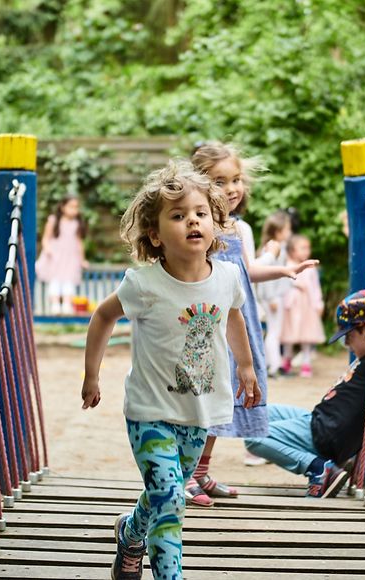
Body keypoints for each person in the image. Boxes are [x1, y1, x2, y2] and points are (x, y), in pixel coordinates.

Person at [81, 160, 261, 580]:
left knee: (166, 493)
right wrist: (92, 374)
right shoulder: (143, 284)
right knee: (170, 499)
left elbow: (233, 316)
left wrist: (247, 366)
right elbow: (103, 316)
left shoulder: (228, 276)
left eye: (200, 213)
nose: (192, 221)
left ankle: (129, 532)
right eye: (178, 216)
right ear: (156, 235)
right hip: (149, 411)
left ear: (216, 224)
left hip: (199, 410)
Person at [189, 141, 318, 506]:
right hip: (210, 322)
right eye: (220, 181)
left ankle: (201, 473)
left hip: (239, 324)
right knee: (203, 398)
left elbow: (247, 271)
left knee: (226, 396)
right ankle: (185, 475)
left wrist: (285, 269)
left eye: (236, 180)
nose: (232, 189)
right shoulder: (197, 226)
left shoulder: (238, 227)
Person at [244, 289, 365, 498]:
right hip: (319, 420)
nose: (346, 344)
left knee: (254, 436)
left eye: (350, 335)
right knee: (258, 413)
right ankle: (324, 467)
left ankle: (319, 469)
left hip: (327, 435)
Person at [255, 210, 294, 378]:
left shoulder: (277, 248)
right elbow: (269, 274)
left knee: (272, 331)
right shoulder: (274, 249)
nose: (289, 232)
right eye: (287, 229)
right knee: (273, 332)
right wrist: (271, 297)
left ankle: (270, 364)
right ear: (278, 231)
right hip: (272, 297)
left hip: (274, 296)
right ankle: (274, 367)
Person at [280, 235, 325, 378]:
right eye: (302, 248)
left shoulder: (310, 268)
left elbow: (315, 287)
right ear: (292, 250)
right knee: (289, 333)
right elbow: (282, 286)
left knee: (307, 333)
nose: (307, 251)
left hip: (306, 304)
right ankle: (286, 359)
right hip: (291, 304)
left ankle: (306, 361)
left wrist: (318, 303)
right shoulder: (286, 265)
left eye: (308, 248)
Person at [35, 196, 88, 315]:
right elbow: (46, 238)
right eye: (71, 207)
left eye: (76, 207)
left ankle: (67, 304)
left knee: (68, 280)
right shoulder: (54, 220)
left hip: (70, 257)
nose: (74, 210)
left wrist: (82, 259)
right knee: (55, 280)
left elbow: (79, 243)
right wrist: (48, 250)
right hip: (55, 256)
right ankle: (55, 305)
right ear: (63, 207)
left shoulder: (77, 223)